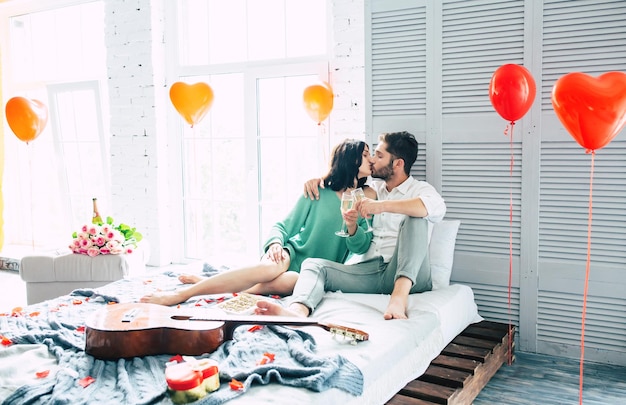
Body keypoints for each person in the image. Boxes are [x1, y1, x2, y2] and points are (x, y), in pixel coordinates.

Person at [140, 139, 375, 306]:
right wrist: (275, 243)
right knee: (267, 269)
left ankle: (208, 284)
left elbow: (360, 246)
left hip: (317, 270)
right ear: (350, 159)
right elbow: (283, 227)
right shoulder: (317, 191)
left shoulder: (366, 198)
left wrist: (353, 227)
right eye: (365, 154)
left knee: (290, 282)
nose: (371, 159)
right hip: (292, 255)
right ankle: (182, 295)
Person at [255, 131, 446, 320]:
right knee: (313, 265)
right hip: (373, 272)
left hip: (411, 276)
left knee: (416, 217)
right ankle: (297, 312)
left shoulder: (420, 190)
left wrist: (381, 207)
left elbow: (434, 207)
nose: (372, 160)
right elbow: (343, 178)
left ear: (398, 163)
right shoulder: (371, 190)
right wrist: (319, 181)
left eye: (379, 156)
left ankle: (398, 299)